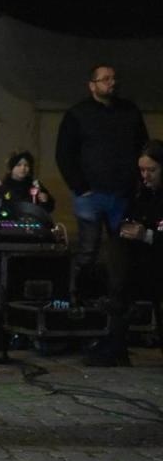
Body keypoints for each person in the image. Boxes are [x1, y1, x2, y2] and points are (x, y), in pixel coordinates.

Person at [55, 64, 149, 299]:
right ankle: (81, 299)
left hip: (123, 194)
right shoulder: (78, 114)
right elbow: (64, 153)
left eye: (113, 78)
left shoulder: (130, 112)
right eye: (105, 79)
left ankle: (120, 300)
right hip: (91, 195)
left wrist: (139, 183)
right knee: (88, 250)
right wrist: (80, 187)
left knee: (123, 250)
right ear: (92, 85)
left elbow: (143, 147)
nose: (111, 82)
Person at [88, 139, 163, 367]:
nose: (146, 176)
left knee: (119, 273)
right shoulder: (142, 194)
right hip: (142, 264)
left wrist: (146, 235)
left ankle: (115, 342)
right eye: (142, 170)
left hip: (158, 263)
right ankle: (115, 340)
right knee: (116, 252)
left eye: (152, 170)